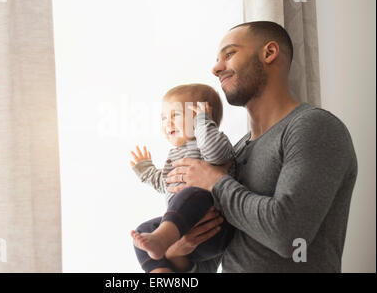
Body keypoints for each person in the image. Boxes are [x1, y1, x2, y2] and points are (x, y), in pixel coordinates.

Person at [162, 21, 358, 273]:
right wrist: (180, 252)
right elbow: (212, 261)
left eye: (229, 54)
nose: (215, 67)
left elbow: (289, 235)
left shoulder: (314, 127)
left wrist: (215, 182)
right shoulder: (238, 149)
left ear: (269, 53)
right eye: (216, 58)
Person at [129, 83, 236, 273]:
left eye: (175, 115)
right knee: (142, 231)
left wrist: (204, 123)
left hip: (213, 228)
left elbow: (217, 155)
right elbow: (166, 185)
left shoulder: (210, 144)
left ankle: (161, 239)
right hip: (180, 233)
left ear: (201, 115)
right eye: (163, 118)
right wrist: (147, 171)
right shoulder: (175, 155)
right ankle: (160, 272)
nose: (167, 123)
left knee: (193, 193)